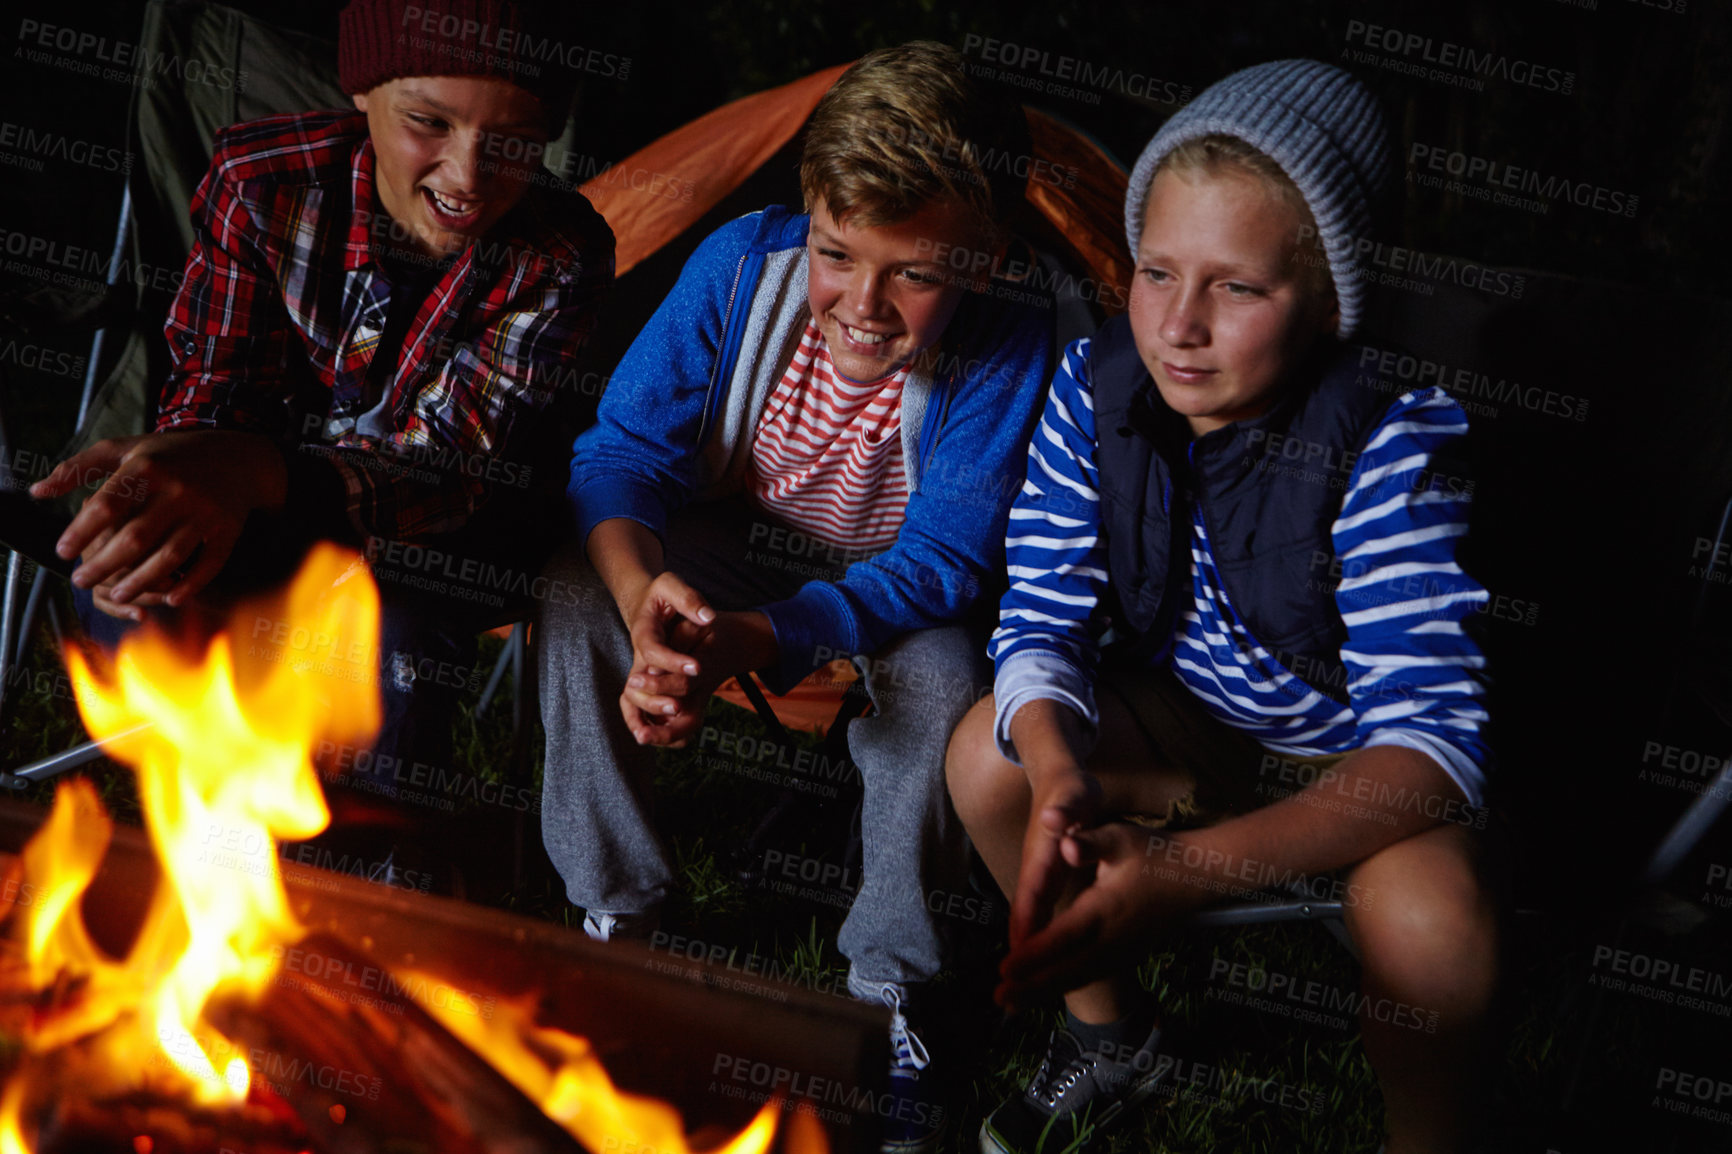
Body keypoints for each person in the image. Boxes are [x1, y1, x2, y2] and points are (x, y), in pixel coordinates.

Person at [945, 59, 1498, 1154]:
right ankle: (1110, 1036)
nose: (1179, 326)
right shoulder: (1093, 385)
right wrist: (1059, 771)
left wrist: (1181, 872)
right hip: (1194, 717)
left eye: (1237, 287)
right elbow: (1040, 617)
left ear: (1331, 301)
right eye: (1157, 272)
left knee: (1433, 927)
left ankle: (1426, 1134)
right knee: (988, 755)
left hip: (1359, 763)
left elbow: (1434, 746)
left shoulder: (1389, 439)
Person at [534, 41, 1053, 1153]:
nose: (862, 305)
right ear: (807, 217)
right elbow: (619, 454)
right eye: (836, 253)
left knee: (950, 681)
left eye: (913, 273)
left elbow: (945, 563)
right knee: (575, 591)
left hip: (897, 584)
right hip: (736, 540)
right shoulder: (737, 270)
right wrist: (640, 597)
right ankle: (616, 916)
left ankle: (889, 990)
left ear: (986, 259)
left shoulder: (1012, 343)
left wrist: (760, 638)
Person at [28, 0, 613, 781]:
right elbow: (214, 395)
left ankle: (382, 873)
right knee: (139, 594)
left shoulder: (560, 254)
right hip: (257, 517)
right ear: (364, 93)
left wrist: (255, 472)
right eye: (429, 123)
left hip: (433, 545)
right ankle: (216, 847)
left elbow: (448, 472)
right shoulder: (262, 181)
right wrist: (189, 468)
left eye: (512, 140)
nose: (469, 176)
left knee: (393, 656)